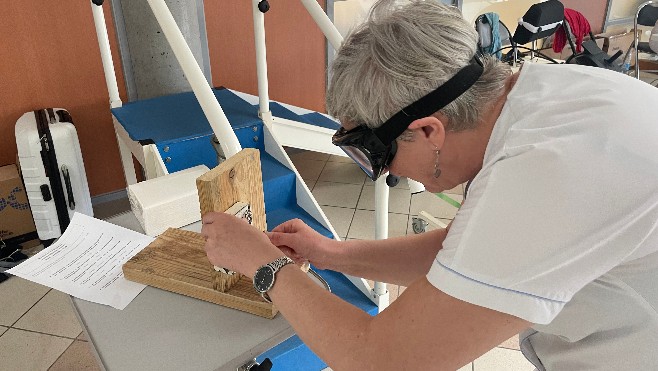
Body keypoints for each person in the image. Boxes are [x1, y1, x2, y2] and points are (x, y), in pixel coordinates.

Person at [201, 1, 658, 369]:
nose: (382, 173)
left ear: (427, 131)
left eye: (375, 155)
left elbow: (381, 359)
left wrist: (264, 266)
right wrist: (329, 254)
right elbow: (463, 251)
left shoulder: (546, 175)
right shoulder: (544, 94)